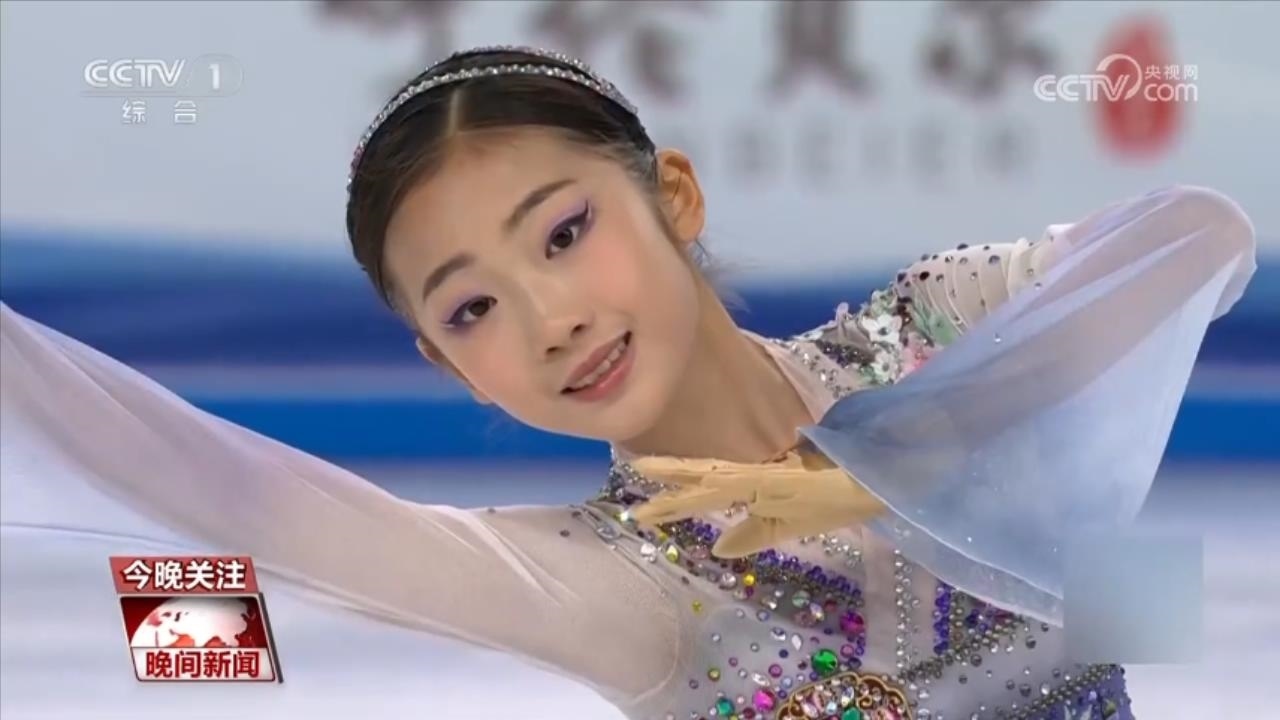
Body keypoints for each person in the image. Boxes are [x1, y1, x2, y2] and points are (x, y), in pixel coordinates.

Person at [0, 45, 1257, 720]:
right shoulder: (609, 587)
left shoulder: (935, 325)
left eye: (563, 233)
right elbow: (226, 502)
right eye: (472, 310)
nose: (550, 320)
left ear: (673, 196)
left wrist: (885, 468)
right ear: (453, 369)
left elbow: (1199, 236)